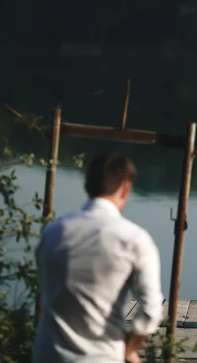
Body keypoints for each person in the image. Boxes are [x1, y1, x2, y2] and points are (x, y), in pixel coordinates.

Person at [33, 152, 164, 363]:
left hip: (48, 355)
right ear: (125, 190)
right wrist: (128, 349)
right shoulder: (134, 239)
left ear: (87, 186)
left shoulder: (53, 232)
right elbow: (150, 310)